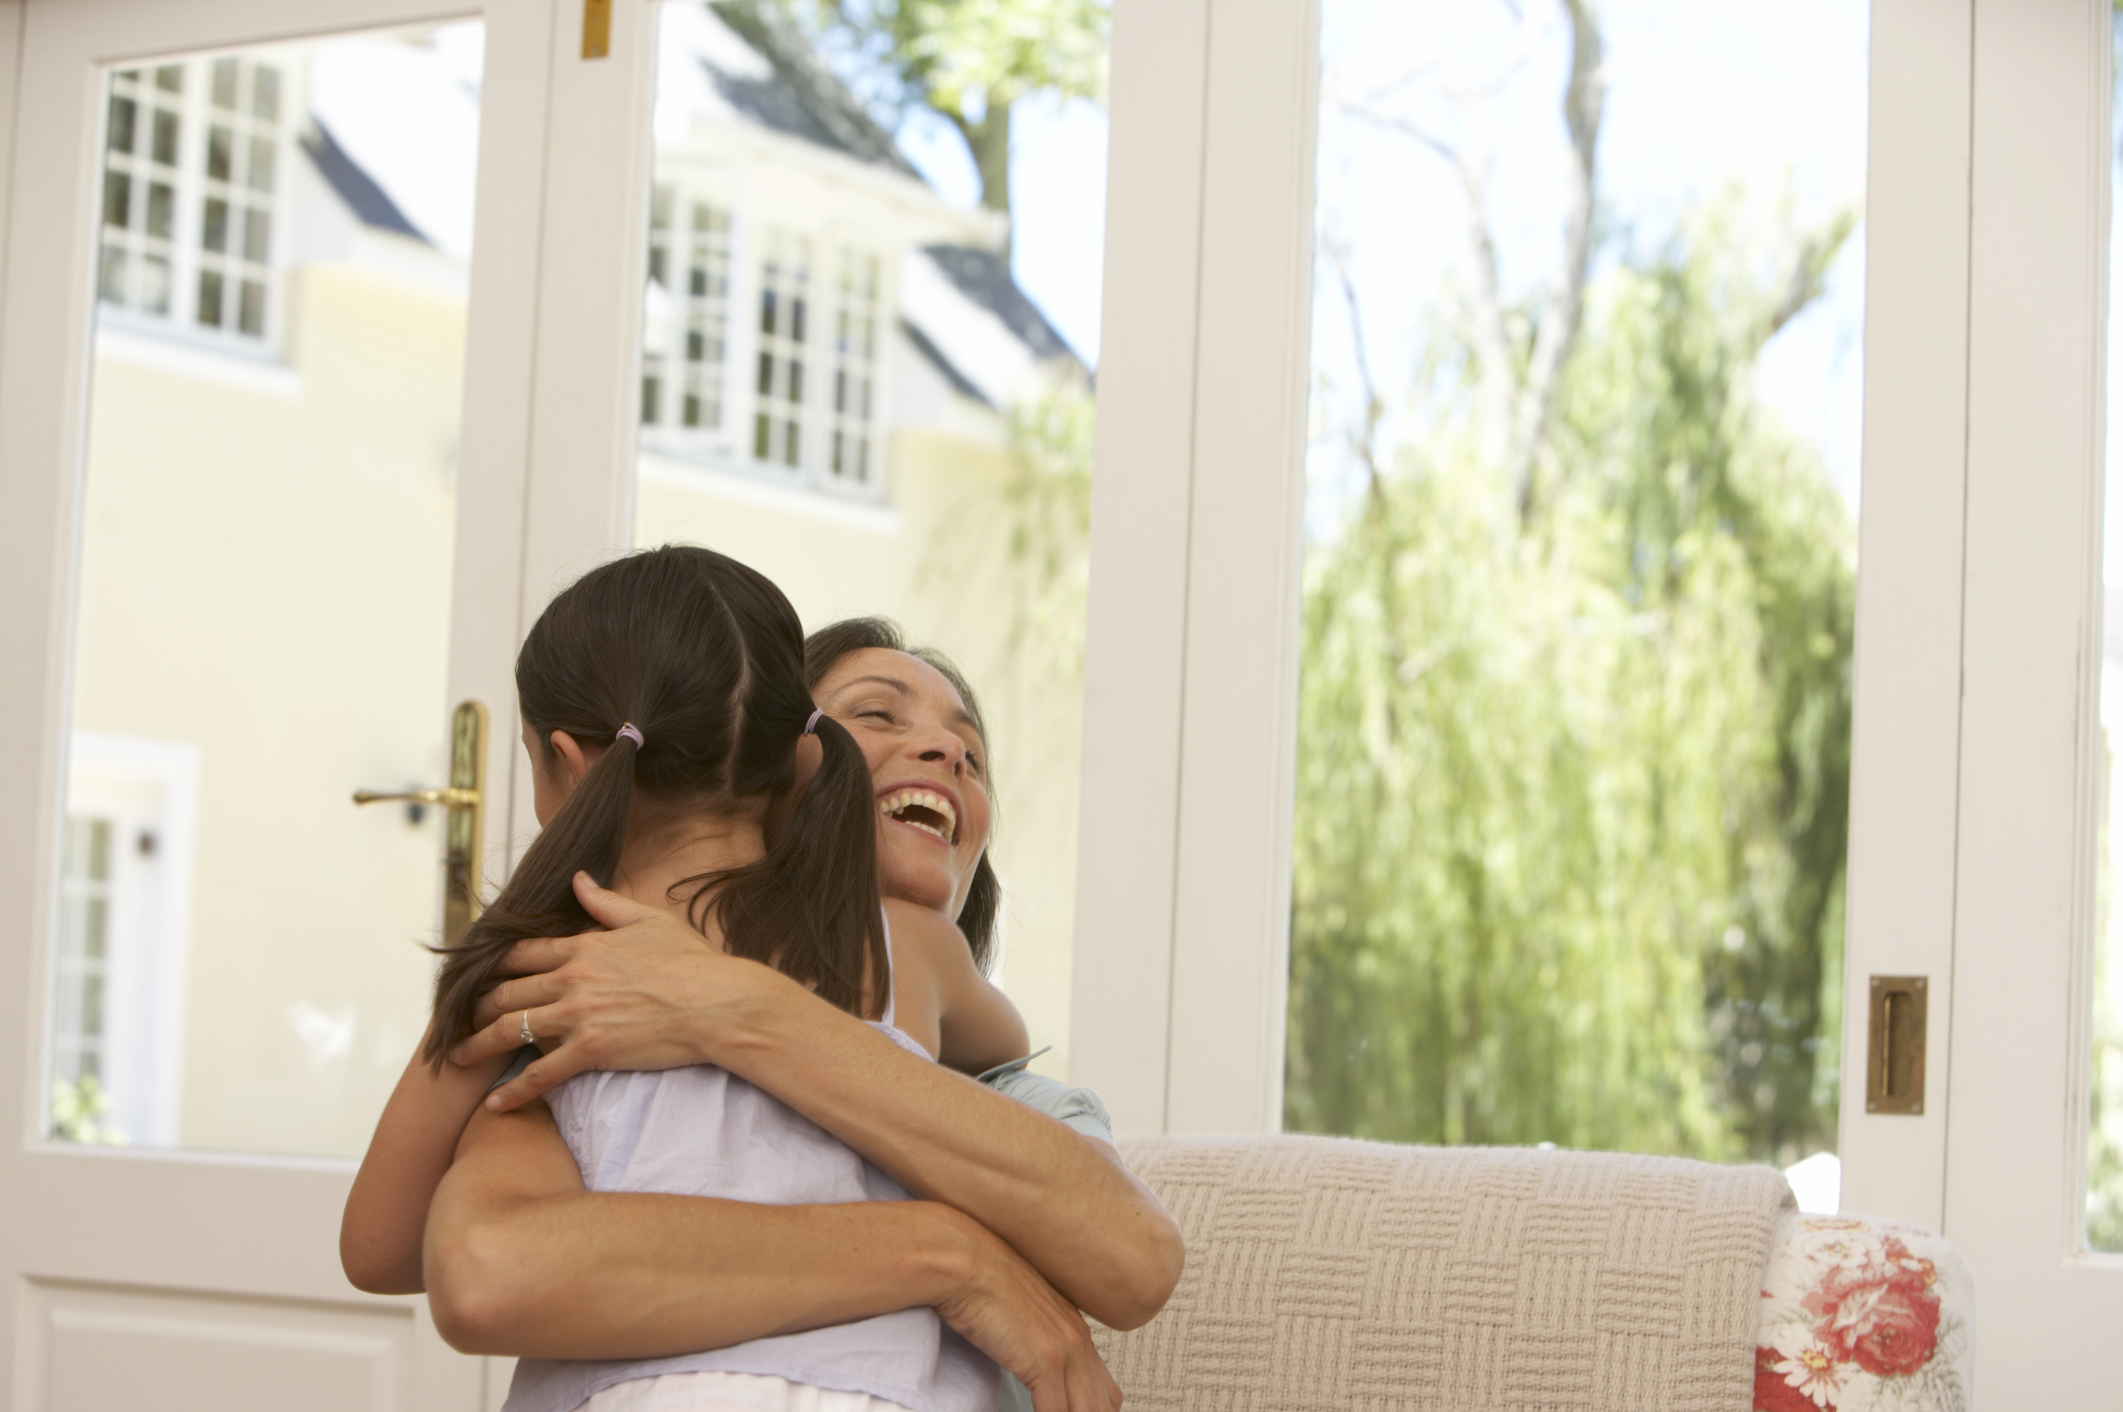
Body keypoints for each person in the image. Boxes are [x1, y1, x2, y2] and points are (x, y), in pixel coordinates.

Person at [342, 555, 1179, 1412]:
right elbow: (482, 1267)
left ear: (564, 760)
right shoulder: (597, 1006)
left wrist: (717, 1005)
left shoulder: (560, 996)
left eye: (971, 750)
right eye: (876, 714)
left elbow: (377, 1245)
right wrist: (941, 1251)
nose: (946, 750)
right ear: (804, 760)